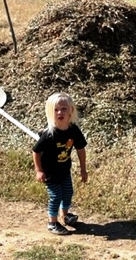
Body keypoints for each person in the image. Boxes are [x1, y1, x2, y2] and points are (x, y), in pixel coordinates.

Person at [33, 92, 88, 235]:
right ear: (50, 113)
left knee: (68, 193)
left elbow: (80, 149)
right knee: (56, 196)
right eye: (56, 109)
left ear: (71, 111)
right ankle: (52, 222)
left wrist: (83, 170)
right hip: (50, 173)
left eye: (64, 108)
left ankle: (65, 216)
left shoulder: (74, 130)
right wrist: (39, 170)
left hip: (64, 170)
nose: (60, 112)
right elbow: (36, 151)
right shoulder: (49, 134)